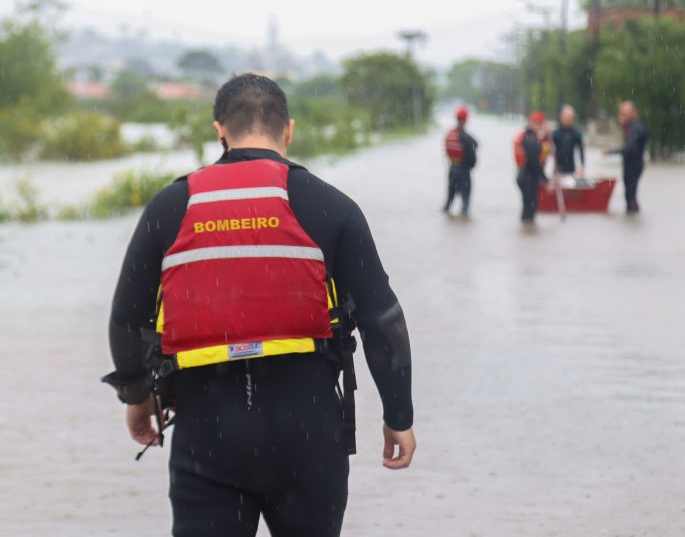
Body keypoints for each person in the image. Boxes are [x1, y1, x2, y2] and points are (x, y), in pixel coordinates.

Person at [102, 73, 416, 537]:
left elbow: (127, 319)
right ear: (288, 130)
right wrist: (398, 416)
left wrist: (136, 396)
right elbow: (383, 321)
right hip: (307, 436)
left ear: (219, 130)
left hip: (207, 437)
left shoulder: (171, 206)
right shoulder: (331, 206)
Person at [606, 101, 648, 213]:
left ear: (634, 113)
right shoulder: (630, 127)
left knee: (630, 196)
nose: (622, 117)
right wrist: (623, 125)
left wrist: (611, 152)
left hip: (635, 165)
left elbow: (630, 148)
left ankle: (633, 216)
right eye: (621, 114)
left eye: (625, 114)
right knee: (628, 195)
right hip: (629, 164)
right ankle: (630, 218)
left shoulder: (637, 128)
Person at [443, 106, 478, 216]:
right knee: (465, 197)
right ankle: (464, 216)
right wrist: (471, 165)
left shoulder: (450, 133)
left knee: (450, 197)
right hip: (463, 171)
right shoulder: (465, 137)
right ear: (465, 120)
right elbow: (474, 147)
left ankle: (447, 211)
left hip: (452, 168)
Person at [514, 111, 548, 223]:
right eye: (537, 123)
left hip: (522, 175)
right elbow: (535, 163)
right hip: (529, 178)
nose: (538, 125)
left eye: (539, 123)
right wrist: (545, 180)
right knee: (530, 209)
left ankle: (526, 232)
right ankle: (528, 231)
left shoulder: (527, 136)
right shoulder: (532, 140)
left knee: (527, 206)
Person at [552, 105, 585, 178]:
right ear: (561, 117)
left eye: (570, 116)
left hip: (571, 170)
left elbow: (581, 152)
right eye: (566, 116)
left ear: (573, 117)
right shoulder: (555, 134)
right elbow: (548, 151)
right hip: (557, 170)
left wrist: (582, 167)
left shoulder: (577, 134)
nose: (568, 118)